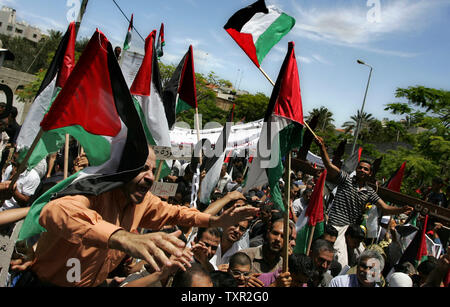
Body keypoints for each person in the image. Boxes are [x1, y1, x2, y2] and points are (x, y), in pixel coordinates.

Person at [13, 147, 258, 287]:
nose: (151, 176)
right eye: (142, 168)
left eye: (152, 170)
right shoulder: (94, 191)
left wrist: (216, 222)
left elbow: (179, 212)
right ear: (121, 169)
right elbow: (54, 211)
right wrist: (121, 238)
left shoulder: (144, 201)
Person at [314, 136, 413, 268]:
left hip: (352, 231)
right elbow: (329, 165)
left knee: (364, 258)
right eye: (360, 168)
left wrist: (401, 210)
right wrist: (322, 148)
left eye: (365, 169)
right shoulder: (346, 180)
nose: (362, 170)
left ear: (370, 173)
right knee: (341, 262)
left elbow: (385, 208)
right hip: (337, 226)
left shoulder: (369, 192)